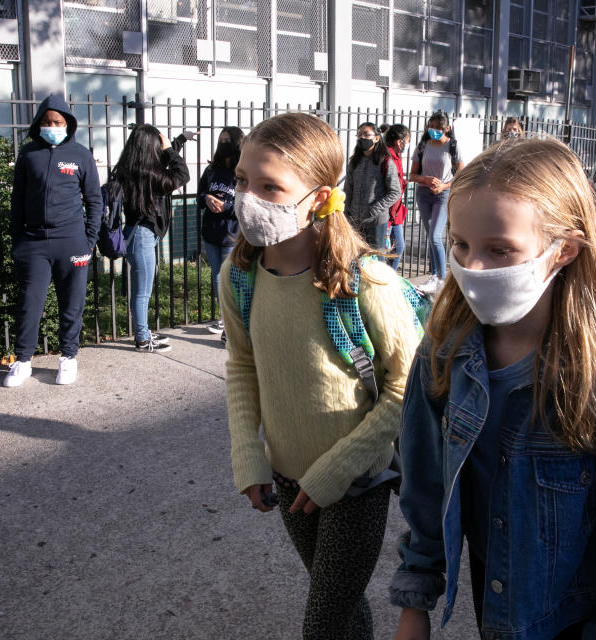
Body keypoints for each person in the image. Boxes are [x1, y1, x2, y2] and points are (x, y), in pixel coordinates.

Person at [390, 137, 596, 640]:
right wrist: (413, 602)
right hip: (498, 608)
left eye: (500, 249)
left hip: (581, 621)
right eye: (461, 245)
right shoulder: (443, 351)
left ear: (564, 250)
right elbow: (424, 484)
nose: (472, 268)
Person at [222, 113, 420, 639]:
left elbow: (408, 385)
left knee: (323, 625)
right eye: (243, 181)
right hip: (289, 481)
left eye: (270, 186)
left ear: (318, 196)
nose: (248, 198)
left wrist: (341, 466)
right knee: (344, 610)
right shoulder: (238, 276)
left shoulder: (366, 280)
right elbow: (242, 365)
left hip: (357, 482)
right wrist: (248, 451)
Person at [3, 94, 104, 387]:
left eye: (58, 122)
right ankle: (22, 361)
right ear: (38, 124)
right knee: (29, 303)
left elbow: (95, 200)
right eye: (47, 122)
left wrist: (88, 241)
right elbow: (17, 201)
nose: (52, 126)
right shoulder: (28, 154)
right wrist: (17, 242)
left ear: (67, 124)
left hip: (72, 241)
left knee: (72, 303)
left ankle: (68, 358)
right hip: (33, 243)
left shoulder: (81, 155)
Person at [115, 124, 190, 352]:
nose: (162, 147)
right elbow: (182, 174)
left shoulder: (131, 169)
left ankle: (143, 331)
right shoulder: (151, 175)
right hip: (142, 235)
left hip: (138, 233)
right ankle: (141, 338)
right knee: (142, 290)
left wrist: (178, 141)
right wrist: (170, 149)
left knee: (141, 289)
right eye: (159, 144)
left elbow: (163, 166)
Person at [198, 126, 244, 337]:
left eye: (228, 140)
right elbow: (199, 195)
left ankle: (231, 321)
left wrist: (226, 206)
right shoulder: (211, 170)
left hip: (231, 233)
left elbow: (248, 201)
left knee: (228, 278)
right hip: (211, 231)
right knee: (217, 277)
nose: (223, 143)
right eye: (221, 140)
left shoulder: (242, 171)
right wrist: (207, 198)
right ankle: (224, 319)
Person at [410, 111, 463, 294]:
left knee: (435, 237)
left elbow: (462, 175)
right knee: (430, 236)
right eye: (431, 127)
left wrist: (444, 186)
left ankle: (440, 277)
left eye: (439, 128)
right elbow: (412, 175)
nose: (434, 131)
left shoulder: (452, 146)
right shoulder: (423, 146)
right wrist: (425, 179)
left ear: (446, 129)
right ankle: (434, 275)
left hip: (443, 194)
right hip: (424, 193)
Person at [343, 121, 402, 250]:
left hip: (376, 221)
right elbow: (348, 189)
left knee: (375, 259)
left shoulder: (385, 161)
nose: (362, 137)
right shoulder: (354, 162)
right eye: (359, 134)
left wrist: (374, 209)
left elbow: (395, 192)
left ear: (376, 138)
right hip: (355, 220)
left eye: (366, 134)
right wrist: (347, 212)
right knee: (356, 258)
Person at [383, 124, 411, 271]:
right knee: (383, 251)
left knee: (398, 247)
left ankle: (390, 277)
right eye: (406, 141)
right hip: (387, 213)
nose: (406, 145)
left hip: (396, 212)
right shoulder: (388, 158)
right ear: (399, 141)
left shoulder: (397, 157)